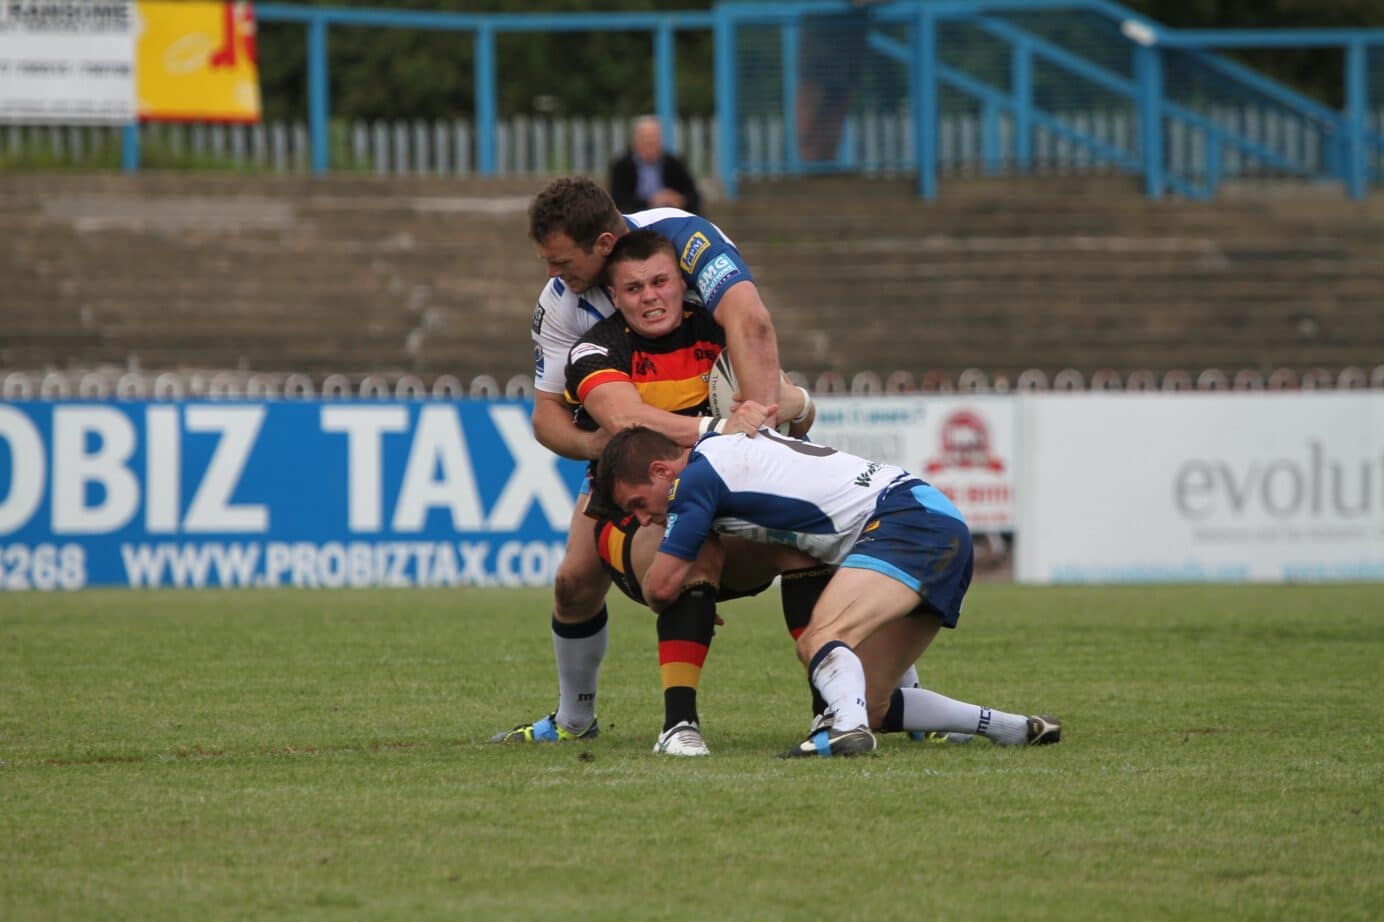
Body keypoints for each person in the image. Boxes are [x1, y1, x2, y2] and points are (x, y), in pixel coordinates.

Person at [493, 176, 783, 745]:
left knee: (815, 539)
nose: (553, 274)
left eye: (560, 261)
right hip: (640, 455)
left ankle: (882, 697)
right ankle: (575, 720)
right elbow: (547, 416)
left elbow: (752, 323)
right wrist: (600, 448)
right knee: (573, 582)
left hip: (727, 438)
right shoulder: (561, 305)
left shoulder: (686, 242)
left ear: (603, 244)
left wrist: (758, 426)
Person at [596, 424, 1063, 758]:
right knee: (875, 702)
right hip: (936, 521)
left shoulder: (691, 481)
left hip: (906, 521)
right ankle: (1010, 729)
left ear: (662, 471)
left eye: (638, 504)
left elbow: (659, 587)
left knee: (820, 638)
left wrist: (690, 596)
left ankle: (845, 730)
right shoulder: (721, 445)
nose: (641, 518)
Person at [561, 229, 816, 756]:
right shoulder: (596, 348)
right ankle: (674, 726)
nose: (649, 296)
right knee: (669, 552)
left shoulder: (721, 335)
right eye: (633, 289)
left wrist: (784, 403)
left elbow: (790, 409)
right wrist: (718, 427)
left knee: (813, 539)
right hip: (638, 517)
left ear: (681, 281)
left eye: (660, 282)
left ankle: (849, 707)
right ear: (614, 294)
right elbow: (626, 419)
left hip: (724, 505)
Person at [609, 116, 702, 214]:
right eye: (646, 141)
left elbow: (694, 195)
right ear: (635, 141)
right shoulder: (622, 166)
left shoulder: (674, 163)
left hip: (670, 216)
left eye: (655, 140)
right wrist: (651, 202)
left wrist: (680, 200)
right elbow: (618, 200)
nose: (651, 145)